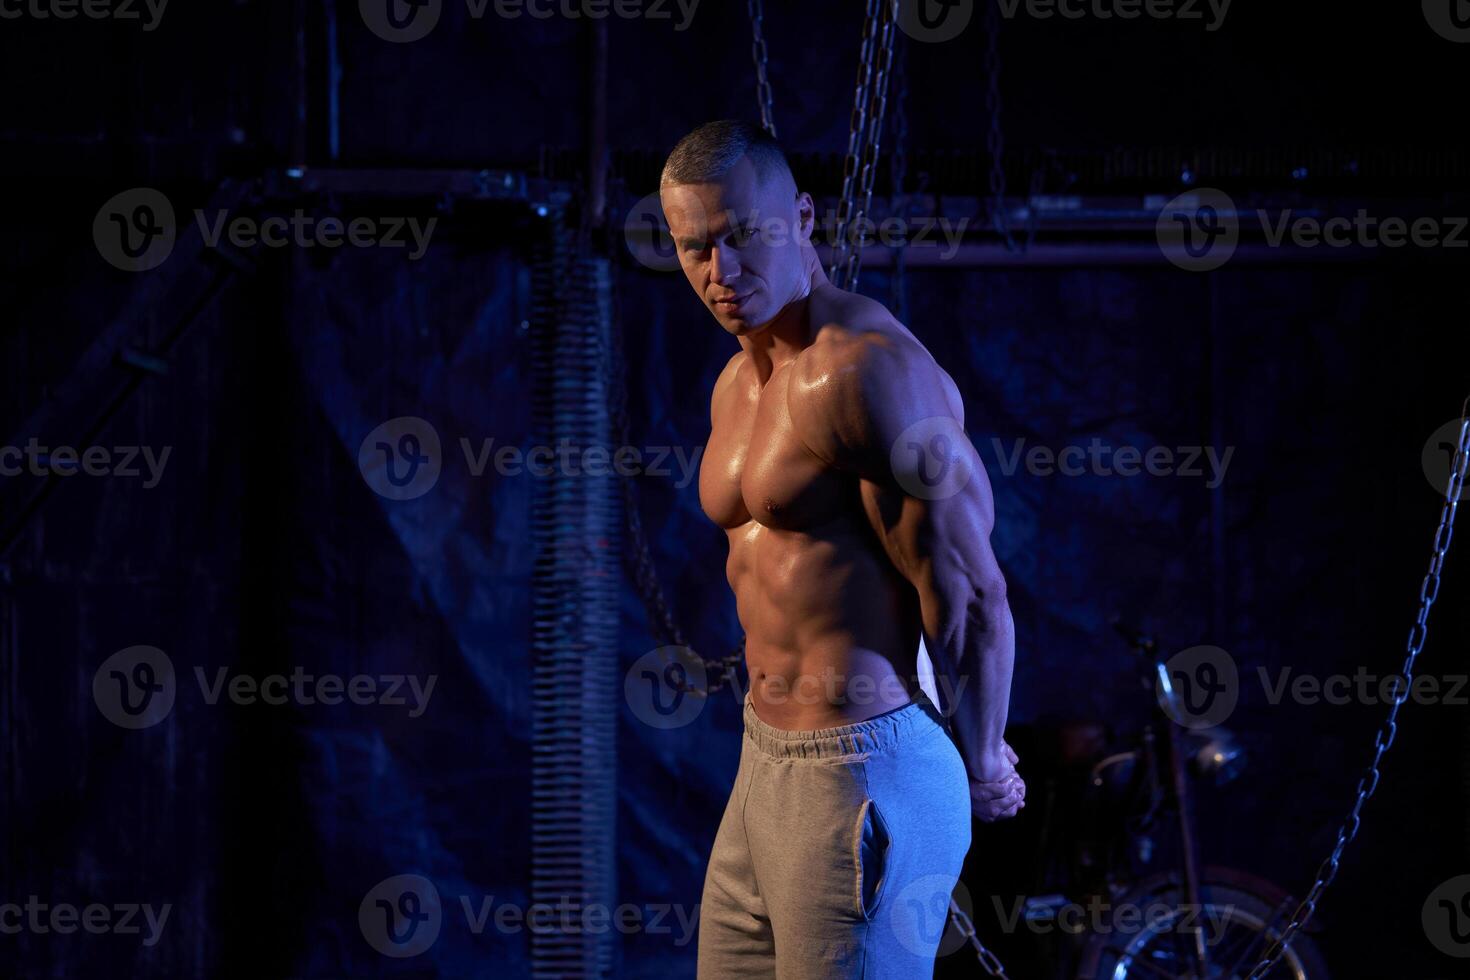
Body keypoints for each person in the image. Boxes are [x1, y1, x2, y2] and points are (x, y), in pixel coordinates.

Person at [660, 120, 1024, 978]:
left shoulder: (865, 373)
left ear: (804, 217)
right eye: (694, 248)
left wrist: (981, 757)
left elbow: (969, 590)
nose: (721, 273)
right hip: (763, 768)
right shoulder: (737, 381)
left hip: (867, 773)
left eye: (743, 237)